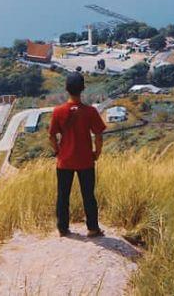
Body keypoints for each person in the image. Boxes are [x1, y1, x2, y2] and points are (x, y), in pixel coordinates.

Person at [48, 72, 106, 237]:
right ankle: (93, 228)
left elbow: (51, 136)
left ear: (66, 89)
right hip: (86, 160)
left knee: (63, 195)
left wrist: (58, 151)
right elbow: (99, 136)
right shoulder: (90, 111)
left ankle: (63, 228)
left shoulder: (58, 111)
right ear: (83, 89)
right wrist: (97, 153)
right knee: (88, 195)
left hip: (64, 161)